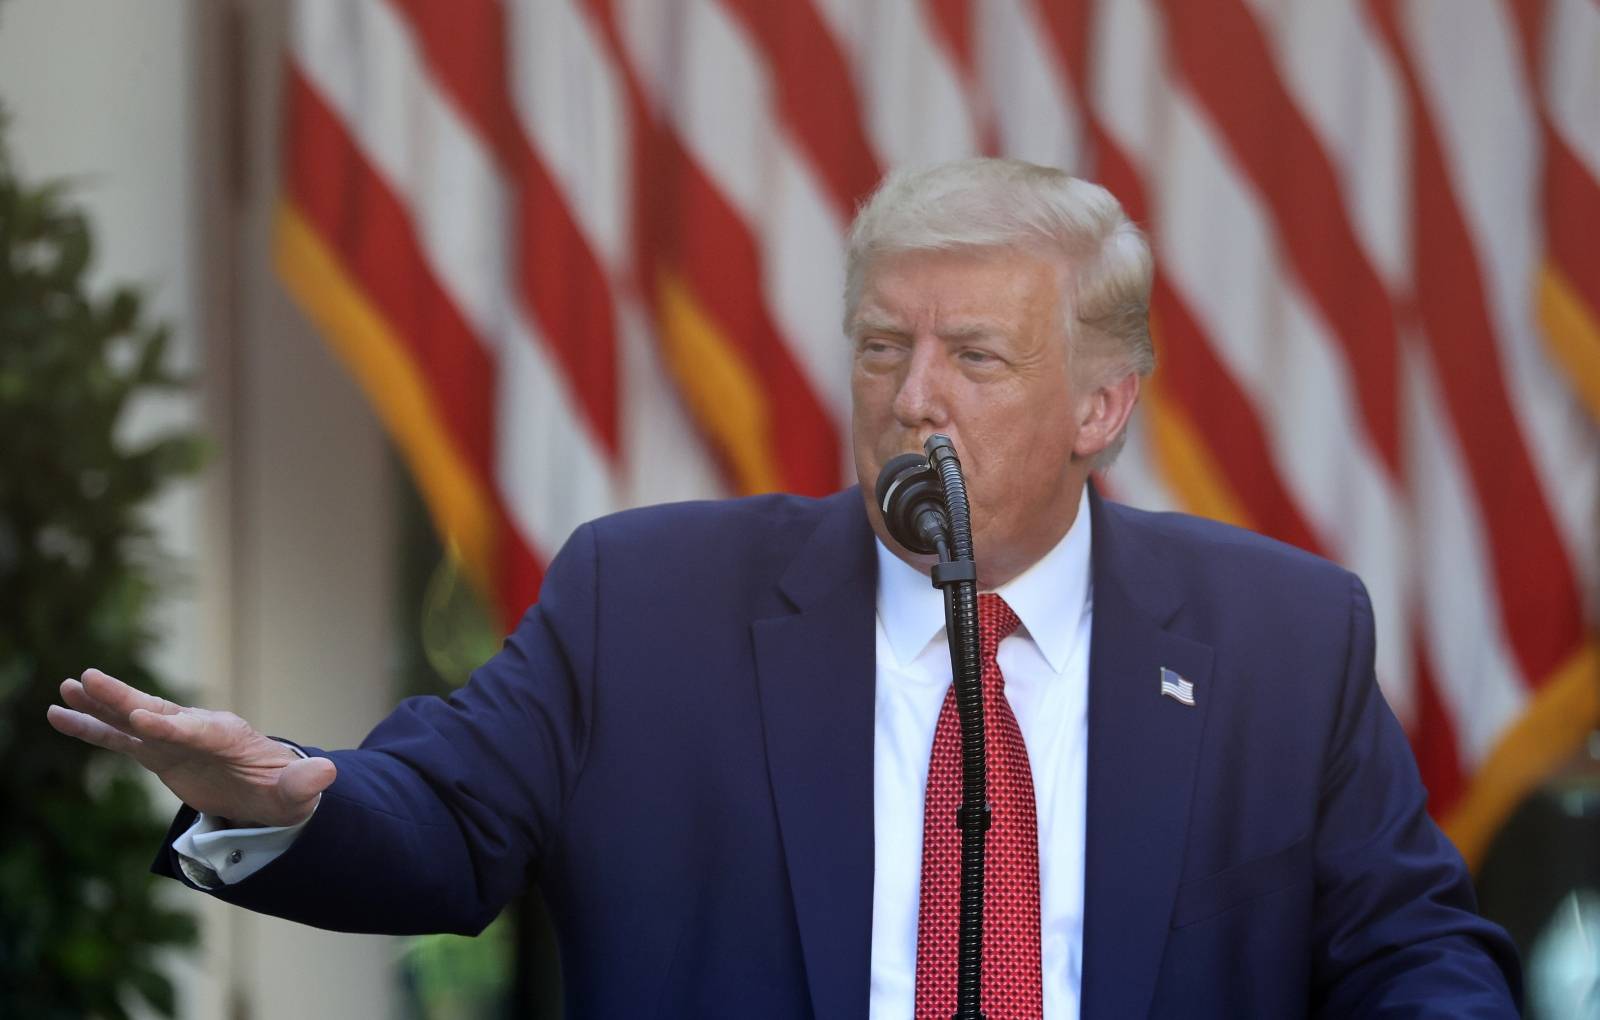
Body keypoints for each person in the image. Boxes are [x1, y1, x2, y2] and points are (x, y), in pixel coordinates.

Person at [49, 158, 1519, 1018]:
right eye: (883, 348)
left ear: (1102, 406)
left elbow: (1411, 948)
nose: (912, 399)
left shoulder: (1280, 635)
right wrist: (285, 795)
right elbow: (445, 822)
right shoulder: (652, 602)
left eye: (976, 358)